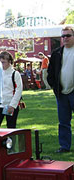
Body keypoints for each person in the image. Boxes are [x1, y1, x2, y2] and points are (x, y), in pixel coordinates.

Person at [47, 25, 74, 153]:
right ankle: (64, 147)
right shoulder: (57, 53)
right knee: (63, 122)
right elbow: (50, 73)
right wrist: (55, 87)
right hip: (61, 93)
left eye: (68, 35)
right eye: (63, 36)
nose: (65, 38)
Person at [0, 51, 23, 128]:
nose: (2, 64)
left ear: (10, 62)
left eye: (3, 62)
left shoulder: (15, 74)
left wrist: (12, 105)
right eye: (0, 62)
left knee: (11, 127)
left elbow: (19, 90)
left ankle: (11, 140)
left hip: (10, 104)